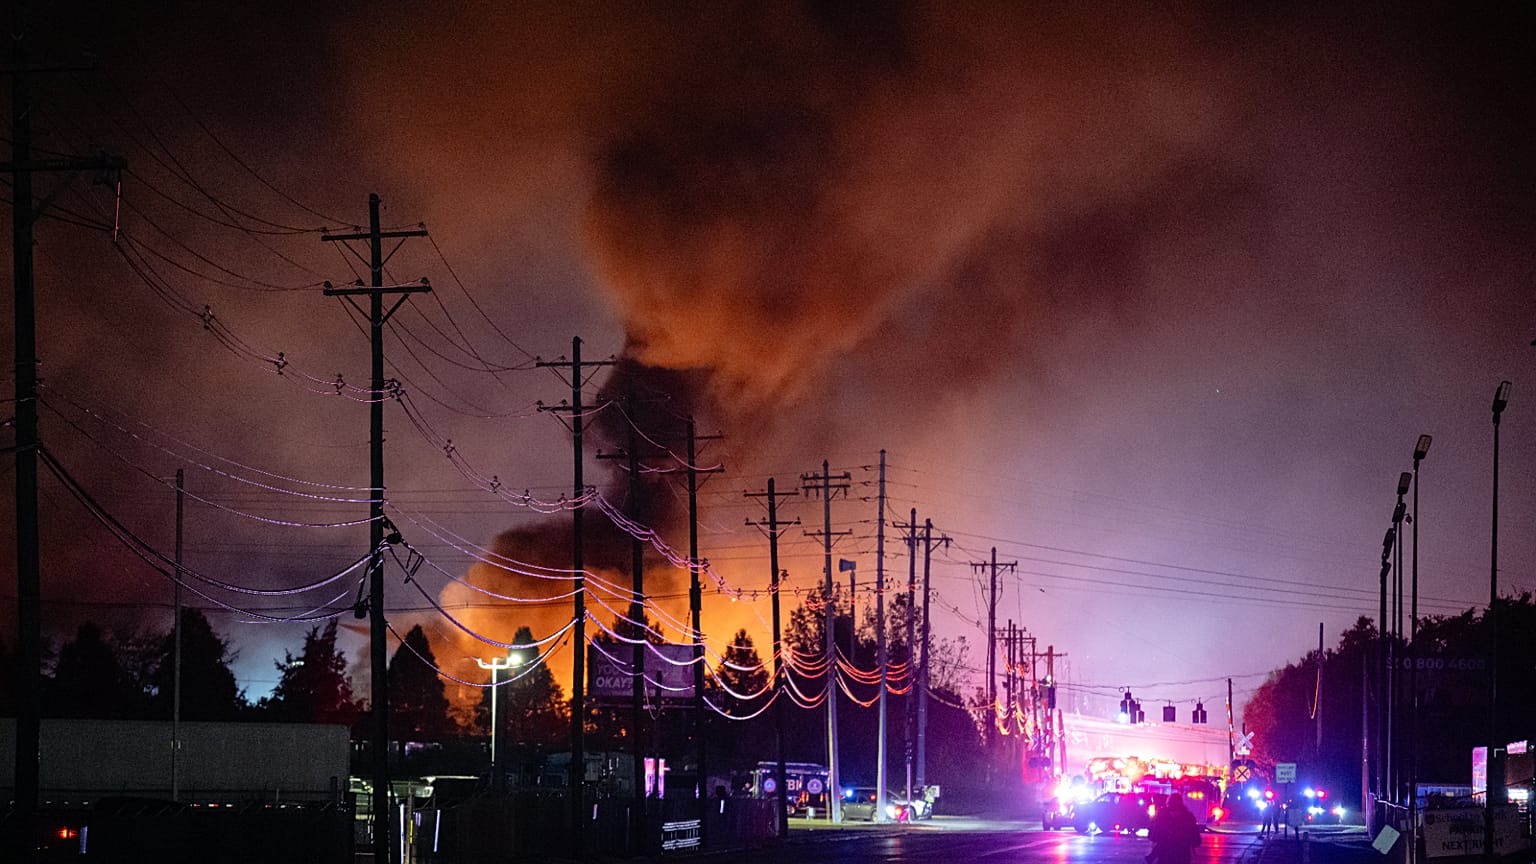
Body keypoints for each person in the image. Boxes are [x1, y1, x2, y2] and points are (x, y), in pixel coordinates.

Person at [1147, 793, 1202, 864]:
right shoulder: (1188, 817)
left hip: (1165, 854)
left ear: (1168, 803)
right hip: (1182, 854)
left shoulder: (1161, 816)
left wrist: (1163, 837)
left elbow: (1152, 834)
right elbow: (1196, 839)